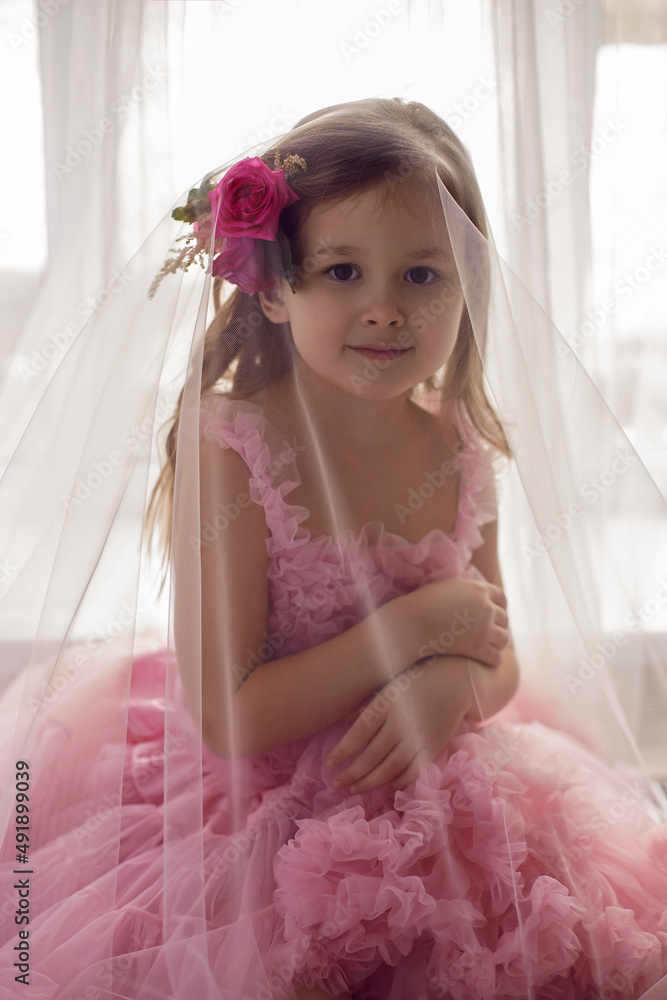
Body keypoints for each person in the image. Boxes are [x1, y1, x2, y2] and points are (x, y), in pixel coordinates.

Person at [1, 97, 666, 1000]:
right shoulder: (229, 443)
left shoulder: (461, 443)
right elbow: (232, 716)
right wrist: (415, 626)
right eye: (343, 271)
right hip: (255, 801)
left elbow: (496, 657)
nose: (385, 309)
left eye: (423, 276)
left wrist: (451, 685)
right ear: (273, 288)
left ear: (467, 282)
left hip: (436, 782)